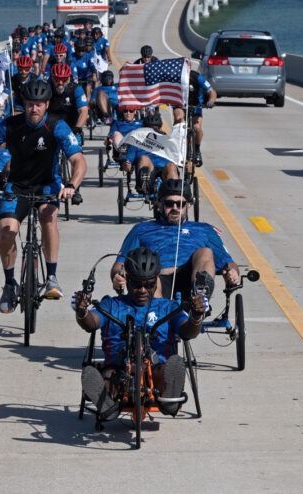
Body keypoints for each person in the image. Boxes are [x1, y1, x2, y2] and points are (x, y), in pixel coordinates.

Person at [0, 80, 87, 312]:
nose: (33, 110)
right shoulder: (9, 125)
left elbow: (78, 160)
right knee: (7, 231)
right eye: (29, 105)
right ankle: (9, 283)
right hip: (16, 186)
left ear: (47, 104)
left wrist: (71, 185)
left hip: (46, 185)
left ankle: (52, 277)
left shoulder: (58, 126)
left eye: (38, 105)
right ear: (23, 105)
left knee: (48, 217)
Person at [75, 247, 207, 418]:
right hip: (118, 369)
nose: (143, 290)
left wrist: (196, 316)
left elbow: (187, 331)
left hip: (157, 368)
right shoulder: (111, 305)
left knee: (171, 365)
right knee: (107, 375)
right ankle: (107, 406)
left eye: (149, 285)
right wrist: (82, 312)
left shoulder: (168, 307)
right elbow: (91, 323)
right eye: (137, 284)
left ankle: (170, 400)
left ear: (157, 281)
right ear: (127, 279)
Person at [111, 178, 240, 303]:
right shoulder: (141, 229)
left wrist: (233, 273)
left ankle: (201, 298)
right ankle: (157, 312)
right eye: (169, 203)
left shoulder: (204, 229)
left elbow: (228, 263)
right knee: (149, 276)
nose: (175, 208)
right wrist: (117, 276)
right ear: (160, 204)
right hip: (156, 280)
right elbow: (120, 263)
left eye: (180, 204)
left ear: (188, 205)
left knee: (205, 252)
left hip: (191, 279)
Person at [119, 109, 180, 194]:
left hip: (165, 171)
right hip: (148, 171)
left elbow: (179, 159)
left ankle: (174, 191)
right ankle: (145, 184)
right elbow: (128, 164)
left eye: (156, 129)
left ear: (160, 128)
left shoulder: (168, 141)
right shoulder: (136, 142)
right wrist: (127, 165)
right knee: (144, 158)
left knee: (171, 166)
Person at [172, 70, 217, 167]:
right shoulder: (175, 76)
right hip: (180, 105)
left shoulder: (197, 77)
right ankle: (176, 144)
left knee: (196, 127)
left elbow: (212, 91)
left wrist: (211, 101)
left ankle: (197, 149)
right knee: (179, 118)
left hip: (195, 105)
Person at [47, 62, 89, 144]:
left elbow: (83, 110)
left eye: (64, 79)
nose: (60, 83)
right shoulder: (47, 88)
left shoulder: (77, 89)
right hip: (52, 125)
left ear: (69, 78)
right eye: (57, 79)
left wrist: (78, 128)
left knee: (75, 150)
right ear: (52, 78)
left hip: (72, 126)